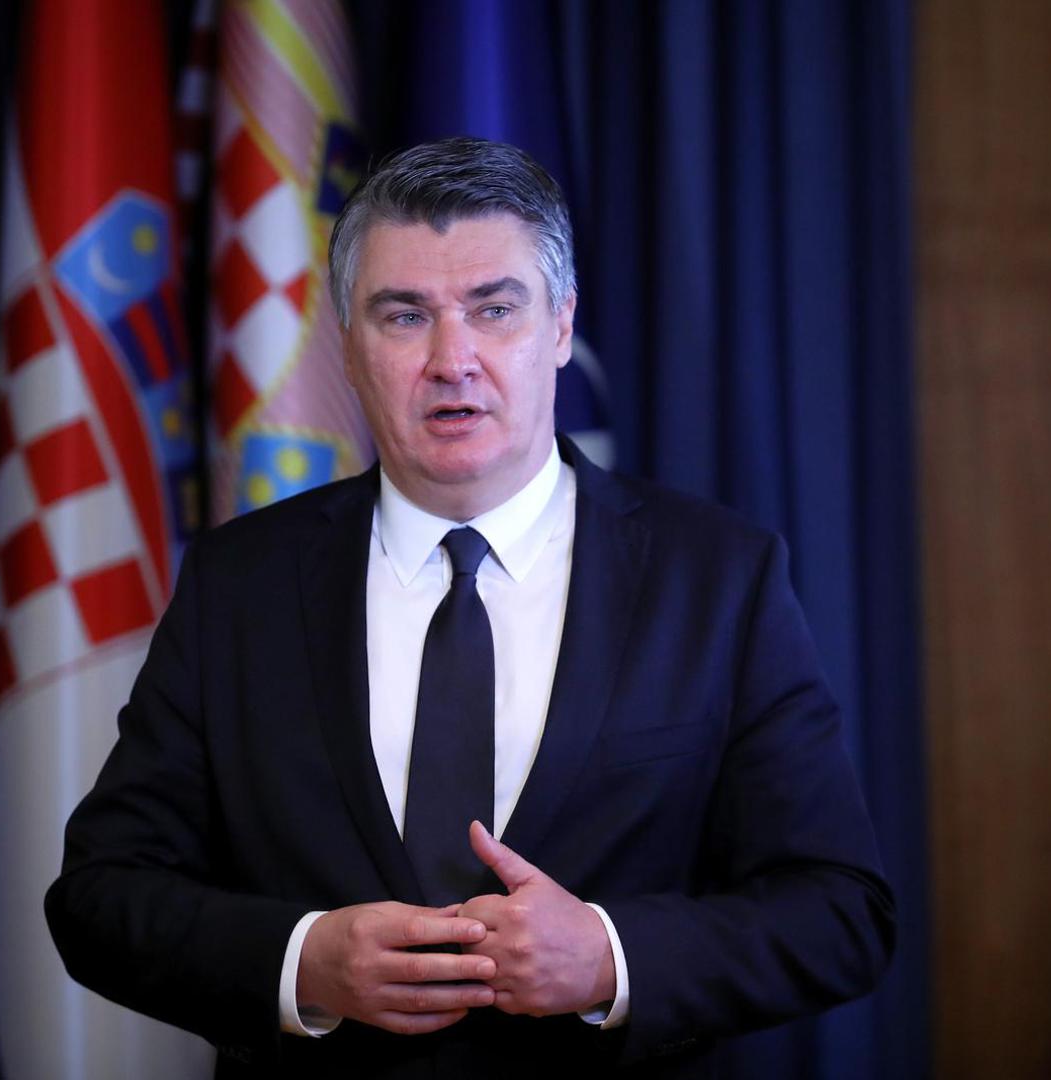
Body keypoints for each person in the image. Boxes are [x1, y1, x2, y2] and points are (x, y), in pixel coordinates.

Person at [45, 137, 895, 1077]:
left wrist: (611, 957)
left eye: (495, 309)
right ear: (347, 344)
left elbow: (840, 911)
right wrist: (304, 962)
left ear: (561, 326)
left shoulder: (718, 578)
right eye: (404, 316)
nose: (453, 360)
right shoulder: (238, 583)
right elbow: (100, 896)